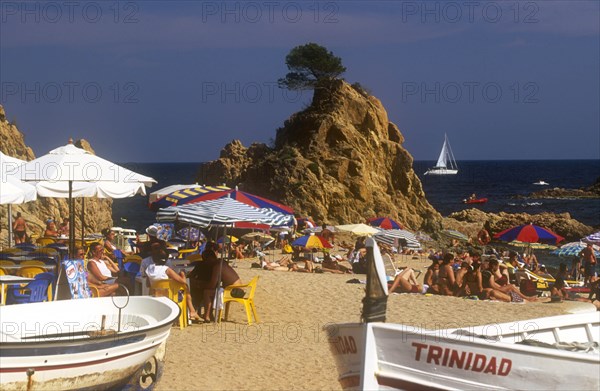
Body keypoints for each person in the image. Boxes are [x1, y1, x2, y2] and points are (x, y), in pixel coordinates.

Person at [145, 242, 201, 321]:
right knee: (186, 287)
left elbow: (148, 284)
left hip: (155, 295)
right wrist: (182, 273)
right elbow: (183, 281)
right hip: (169, 296)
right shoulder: (166, 269)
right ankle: (192, 311)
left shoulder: (149, 268)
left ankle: (192, 311)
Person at [202, 252, 243, 323]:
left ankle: (207, 316)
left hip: (234, 291)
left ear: (209, 259)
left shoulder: (218, 266)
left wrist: (201, 285)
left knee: (207, 292)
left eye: (205, 260)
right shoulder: (222, 263)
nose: (206, 263)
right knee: (213, 291)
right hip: (239, 289)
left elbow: (212, 284)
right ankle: (210, 314)